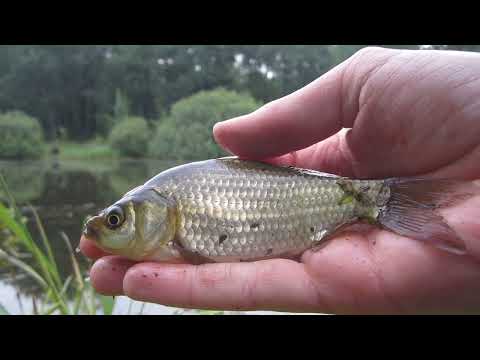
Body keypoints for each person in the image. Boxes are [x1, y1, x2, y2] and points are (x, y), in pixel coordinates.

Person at [80, 46, 480, 314]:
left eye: (117, 219)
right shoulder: (171, 197)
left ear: (157, 212)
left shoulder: (174, 197)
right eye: (114, 221)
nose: (106, 226)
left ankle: (391, 204)